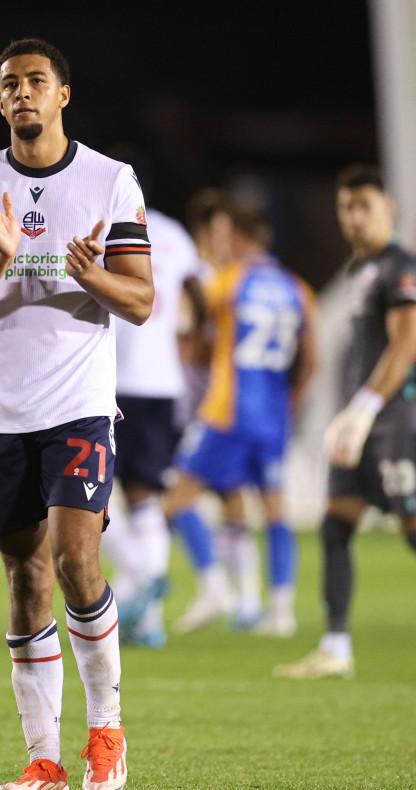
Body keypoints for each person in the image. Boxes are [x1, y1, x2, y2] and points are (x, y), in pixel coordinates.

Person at [0, 38, 153, 790]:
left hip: (79, 407)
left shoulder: (109, 181)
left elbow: (143, 301)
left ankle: (107, 732)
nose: (22, 93)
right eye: (8, 85)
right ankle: (44, 761)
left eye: (35, 82)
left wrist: (93, 275)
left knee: (75, 561)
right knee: (25, 582)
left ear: (63, 94)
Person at [275, 164, 416, 679]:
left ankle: (336, 646)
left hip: (395, 421)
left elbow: (405, 346)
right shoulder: (359, 271)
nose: (354, 218)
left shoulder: (400, 267)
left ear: (389, 209)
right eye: (346, 207)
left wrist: (362, 410)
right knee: (336, 527)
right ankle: (335, 648)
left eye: (365, 206)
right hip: (358, 424)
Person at [164, 192, 318, 637]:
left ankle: (216, 588)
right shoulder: (296, 288)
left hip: (227, 411)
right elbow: (311, 359)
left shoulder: (230, 281)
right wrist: (291, 400)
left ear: (240, 237)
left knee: (176, 499)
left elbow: (193, 324)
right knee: (273, 512)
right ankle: (281, 610)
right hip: (273, 416)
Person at [98, 172, 203, 649]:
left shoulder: (104, 226)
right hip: (165, 385)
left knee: (78, 495)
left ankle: (142, 573)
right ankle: (151, 616)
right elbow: (197, 302)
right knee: (145, 498)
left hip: (115, 380)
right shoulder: (177, 236)